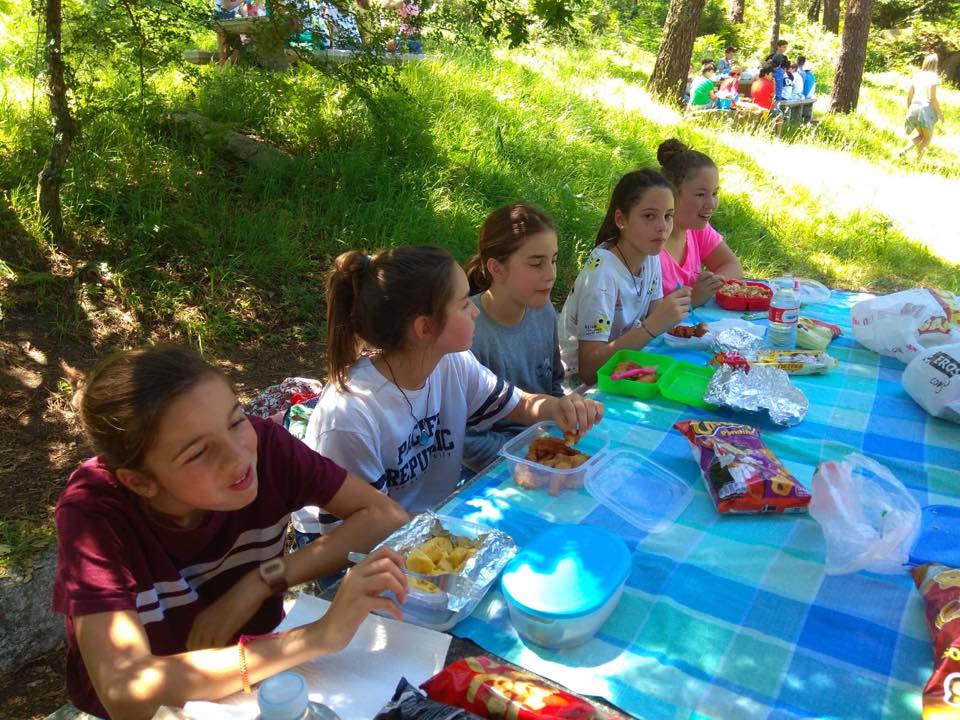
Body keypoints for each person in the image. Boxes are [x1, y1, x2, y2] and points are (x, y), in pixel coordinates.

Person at [52, 345, 411, 720]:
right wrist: (319, 636)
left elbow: (385, 515)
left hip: (260, 681)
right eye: (197, 453)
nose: (238, 456)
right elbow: (126, 691)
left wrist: (260, 582)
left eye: (236, 420)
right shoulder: (94, 512)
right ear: (140, 482)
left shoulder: (267, 447)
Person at [292, 245, 603, 538]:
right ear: (425, 328)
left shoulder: (452, 362)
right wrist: (449, 531)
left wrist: (556, 408)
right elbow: (359, 531)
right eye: (465, 303)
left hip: (430, 516)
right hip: (355, 543)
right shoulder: (352, 415)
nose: (475, 312)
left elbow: (519, 404)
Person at [558, 170, 692, 384]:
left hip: (623, 370)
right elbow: (589, 370)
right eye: (649, 216)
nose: (662, 227)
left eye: (668, 216)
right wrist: (651, 326)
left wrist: (676, 308)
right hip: (578, 388)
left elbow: (657, 316)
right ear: (621, 219)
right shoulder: (602, 275)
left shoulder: (650, 256)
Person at [461, 204, 564, 472]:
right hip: (496, 467)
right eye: (536, 263)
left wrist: (566, 417)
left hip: (543, 446)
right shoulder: (468, 334)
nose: (551, 273)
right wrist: (529, 455)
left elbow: (554, 385)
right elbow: (468, 443)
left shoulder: (544, 311)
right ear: (496, 269)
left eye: (553, 260)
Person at [657, 139, 743, 307]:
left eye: (714, 193)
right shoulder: (651, 245)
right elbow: (642, 313)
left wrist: (710, 285)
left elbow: (732, 265)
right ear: (672, 194)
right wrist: (693, 298)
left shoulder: (697, 230)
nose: (711, 204)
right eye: (700, 195)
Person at [898, 53, 945, 161]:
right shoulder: (933, 77)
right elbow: (932, 98)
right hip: (925, 110)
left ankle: (904, 151)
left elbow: (909, 96)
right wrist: (940, 113)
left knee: (921, 135)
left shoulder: (917, 76)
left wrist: (910, 109)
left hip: (914, 108)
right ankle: (917, 162)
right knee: (928, 138)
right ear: (935, 64)